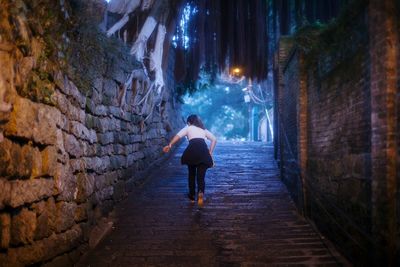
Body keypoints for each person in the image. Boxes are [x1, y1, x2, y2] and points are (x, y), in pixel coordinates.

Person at [163, 114, 217, 206]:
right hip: (203, 152)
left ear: (189, 122)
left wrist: (170, 145)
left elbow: (178, 136)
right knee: (201, 177)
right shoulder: (203, 129)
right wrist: (210, 152)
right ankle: (200, 192)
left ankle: (192, 196)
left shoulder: (188, 128)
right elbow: (214, 139)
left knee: (191, 175)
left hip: (191, 152)